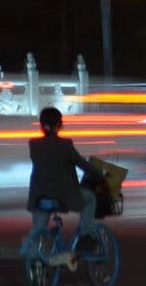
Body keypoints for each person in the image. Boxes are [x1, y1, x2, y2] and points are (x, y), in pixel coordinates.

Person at [28, 106, 96, 257]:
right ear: (60, 125)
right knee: (90, 198)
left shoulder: (33, 145)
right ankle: (85, 234)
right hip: (63, 196)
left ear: (41, 125)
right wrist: (98, 173)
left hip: (39, 196)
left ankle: (34, 263)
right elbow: (82, 164)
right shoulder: (65, 145)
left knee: (38, 230)